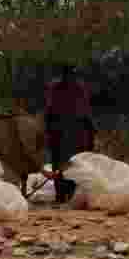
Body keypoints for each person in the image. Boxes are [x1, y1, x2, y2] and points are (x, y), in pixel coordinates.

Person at [44, 66, 95, 205]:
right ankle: (64, 196)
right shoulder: (76, 88)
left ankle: (65, 196)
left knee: (67, 164)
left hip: (68, 134)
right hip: (69, 134)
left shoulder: (60, 88)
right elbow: (86, 113)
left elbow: (49, 113)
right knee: (68, 164)